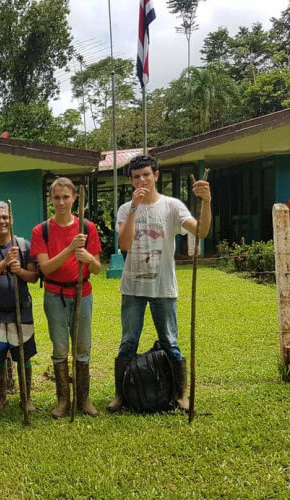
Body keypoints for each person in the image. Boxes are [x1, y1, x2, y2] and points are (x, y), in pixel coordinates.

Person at [107, 155, 211, 413]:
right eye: (136, 177)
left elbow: (200, 231)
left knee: (170, 341)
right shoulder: (125, 208)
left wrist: (206, 202)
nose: (141, 180)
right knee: (128, 341)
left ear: (156, 175)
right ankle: (120, 395)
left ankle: (180, 395)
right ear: (130, 181)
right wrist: (133, 208)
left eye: (146, 174)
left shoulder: (172, 206)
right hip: (133, 287)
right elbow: (124, 245)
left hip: (163, 287)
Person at [30, 177, 102, 419]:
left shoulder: (88, 228)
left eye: (65, 197)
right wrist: (71, 248)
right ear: (50, 199)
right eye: (56, 197)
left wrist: (88, 258)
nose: (61, 202)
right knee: (60, 349)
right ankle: (63, 400)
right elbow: (46, 268)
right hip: (54, 295)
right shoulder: (42, 230)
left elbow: (97, 268)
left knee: (83, 348)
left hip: (83, 293)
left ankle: (84, 399)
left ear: (75, 198)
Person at [0, 201, 39, 414]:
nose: (1, 221)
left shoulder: (24, 245)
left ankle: (26, 399)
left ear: (11, 219)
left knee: (23, 355)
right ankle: (1, 399)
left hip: (21, 310)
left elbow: (33, 277)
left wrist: (19, 270)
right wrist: (4, 263)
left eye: (5, 217)